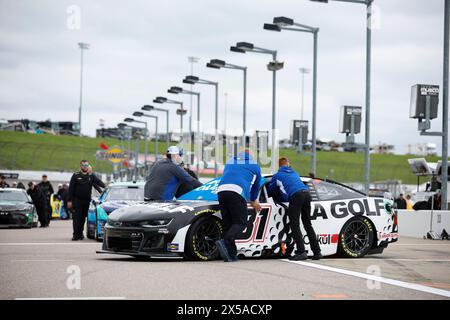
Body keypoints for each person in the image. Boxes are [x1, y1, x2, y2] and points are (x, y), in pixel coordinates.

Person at [268, 157, 322, 261]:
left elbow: (271, 191)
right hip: (307, 194)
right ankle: (317, 252)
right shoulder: (294, 173)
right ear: (288, 164)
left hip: (296, 196)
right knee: (307, 224)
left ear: (279, 166)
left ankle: (301, 252)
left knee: (294, 225)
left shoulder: (277, 176)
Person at [215, 150, 262, 262]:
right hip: (237, 191)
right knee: (240, 223)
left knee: (228, 224)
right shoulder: (254, 166)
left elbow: (228, 175)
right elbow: (256, 186)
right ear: (250, 156)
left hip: (221, 191)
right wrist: (253, 200)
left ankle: (231, 254)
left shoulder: (230, 161)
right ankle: (225, 241)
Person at [68, 160, 105, 241]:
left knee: (82, 218)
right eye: (83, 165)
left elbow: (99, 183)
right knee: (76, 218)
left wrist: (107, 186)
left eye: (86, 165)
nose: (85, 166)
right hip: (77, 200)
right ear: (80, 166)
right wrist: (69, 201)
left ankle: (80, 233)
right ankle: (75, 235)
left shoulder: (91, 176)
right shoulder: (75, 175)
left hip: (86, 201)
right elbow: (71, 189)